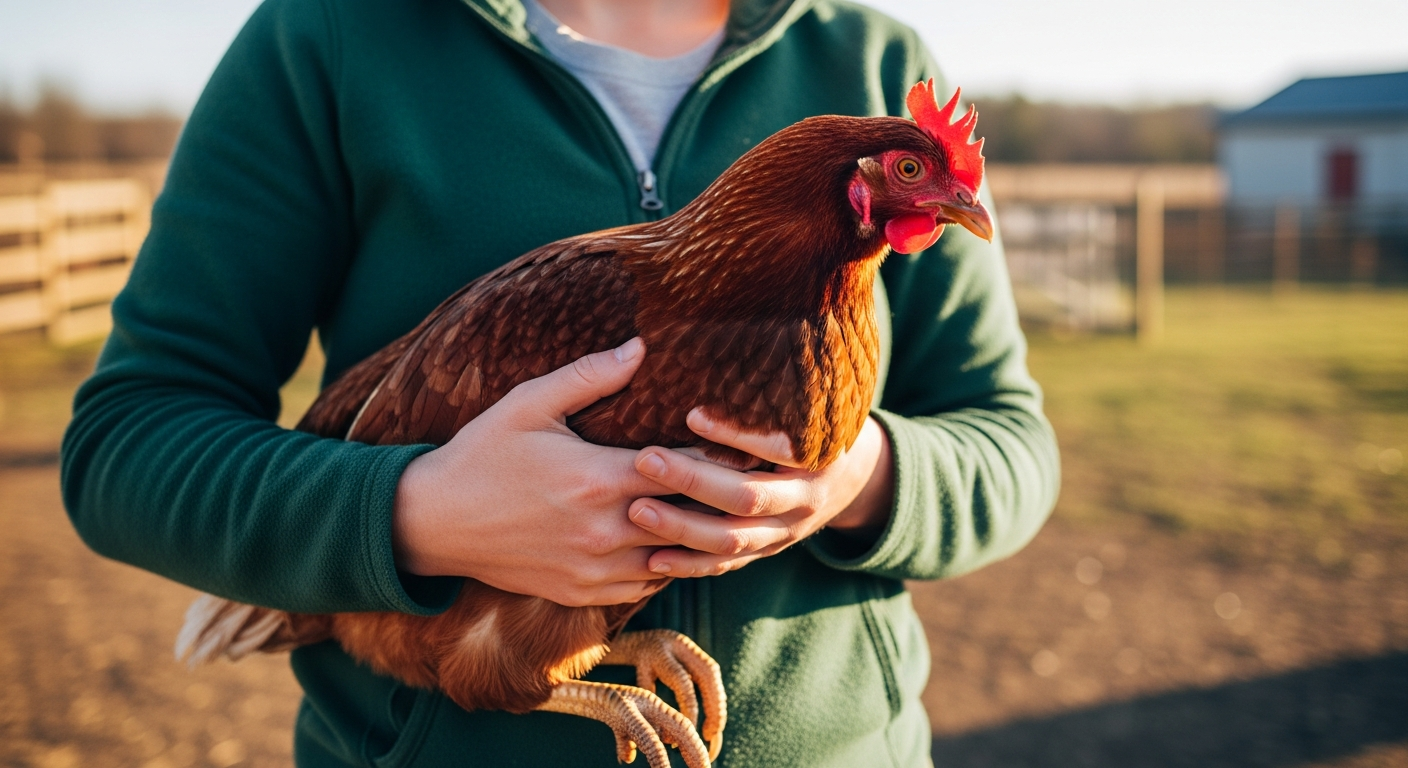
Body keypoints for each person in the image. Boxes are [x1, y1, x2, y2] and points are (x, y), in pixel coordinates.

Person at [61, 0, 1060, 765]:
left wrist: (858, 477)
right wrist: (411, 512)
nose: (952, 198)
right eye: (920, 179)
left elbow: (1010, 443)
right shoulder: (328, 40)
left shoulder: (867, 54)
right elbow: (128, 442)